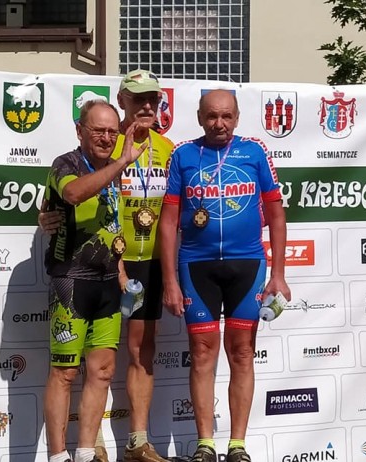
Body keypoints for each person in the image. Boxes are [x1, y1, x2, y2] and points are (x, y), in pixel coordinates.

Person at [40, 69, 173, 462]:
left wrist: (124, 272)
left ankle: (95, 450)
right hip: (72, 280)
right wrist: (44, 216)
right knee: (66, 371)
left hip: (118, 275)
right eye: (98, 130)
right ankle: (63, 454)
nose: (106, 137)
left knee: (106, 368)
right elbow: (70, 194)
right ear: (80, 131)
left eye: (111, 132)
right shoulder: (75, 160)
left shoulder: (161, 151)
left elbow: (116, 222)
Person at [157, 89, 290, 462]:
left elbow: (276, 214)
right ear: (200, 117)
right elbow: (168, 222)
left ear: (237, 117)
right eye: (212, 116)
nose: (220, 123)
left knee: (243, 352)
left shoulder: (254, 151)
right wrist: (169, 280)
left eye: (227, 116)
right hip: (196, 265)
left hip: (247, 264)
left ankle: (237, 444)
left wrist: (279, 274)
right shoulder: (183, 154)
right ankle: (204, 443)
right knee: (201, 352)